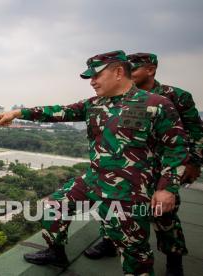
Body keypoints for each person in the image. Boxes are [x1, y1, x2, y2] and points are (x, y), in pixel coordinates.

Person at [0, 50, 189, 275]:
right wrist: (16, 113)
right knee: (52, 207)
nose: (92, 82)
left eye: (96, 76)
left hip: (131, 190)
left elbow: (177, 148)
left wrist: (166, 189)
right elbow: (58, 112)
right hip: (94, 180)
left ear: (119, 72)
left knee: (134, 252)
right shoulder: (94, 104)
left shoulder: (157, 104)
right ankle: (56, 252)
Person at [83, 52, 203, 276]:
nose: (130, 72)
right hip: (131, 170)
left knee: (164, 216)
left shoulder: (174, 97)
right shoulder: (117, 98)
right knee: (115, 208)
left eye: (134, 69)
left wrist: (193, 164)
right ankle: (110, 241)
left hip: (163, 168)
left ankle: (174, 260)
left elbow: (195, 133)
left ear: (150, 70)